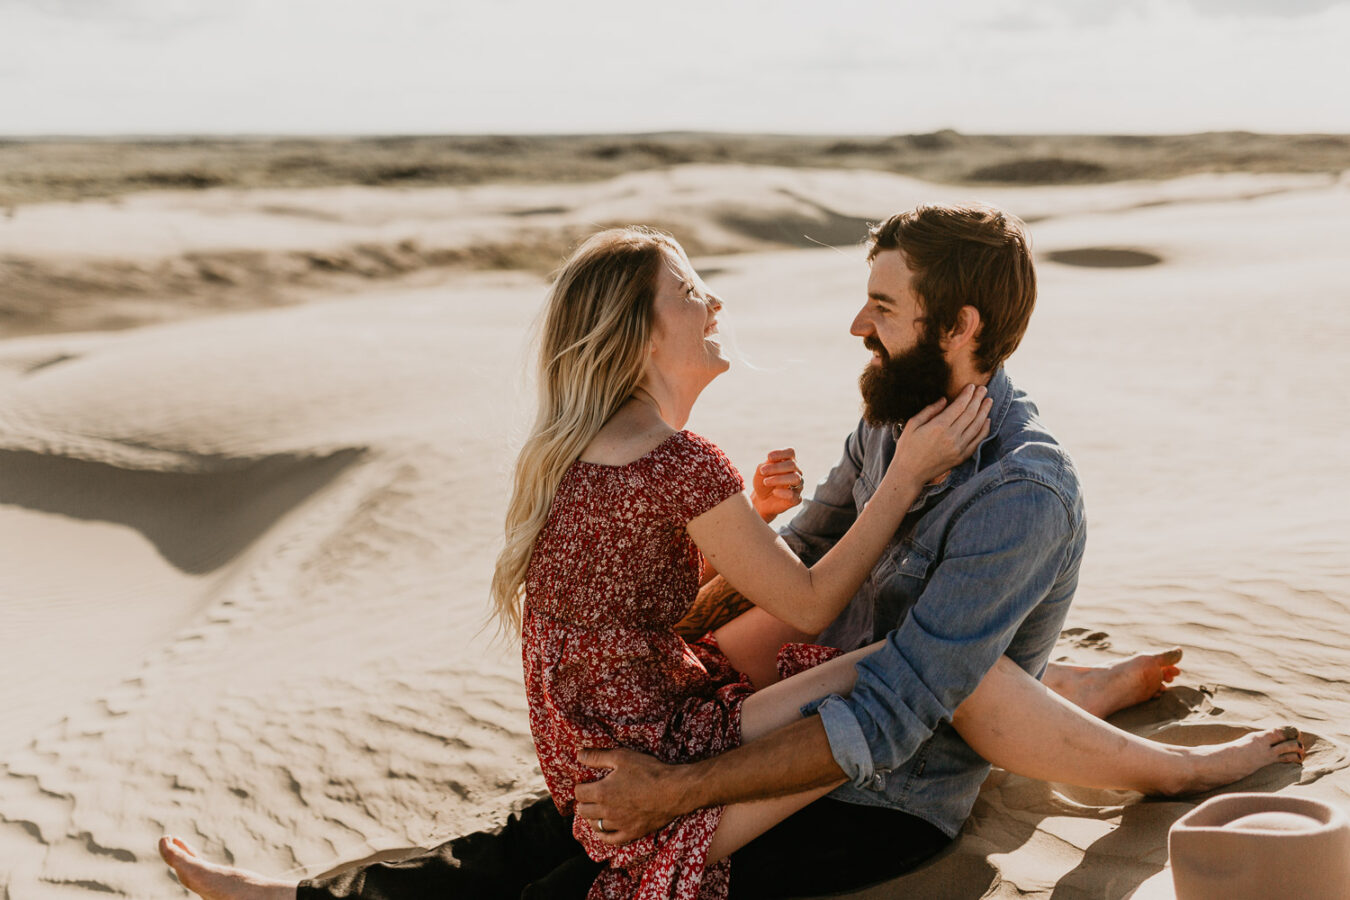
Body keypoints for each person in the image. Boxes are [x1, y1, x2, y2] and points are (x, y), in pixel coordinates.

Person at [158, 210, 1303, 900]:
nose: (856, 327)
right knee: (553, 827)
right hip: (797, 696)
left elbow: (898, 713)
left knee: (594, 872)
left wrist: (678, 787)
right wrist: (747, 551)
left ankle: (1150, 752)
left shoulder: (1022, 499)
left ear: (961, 331)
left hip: (881, 792)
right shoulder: (892, 418)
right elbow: (800, 563)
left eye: (883, 308)